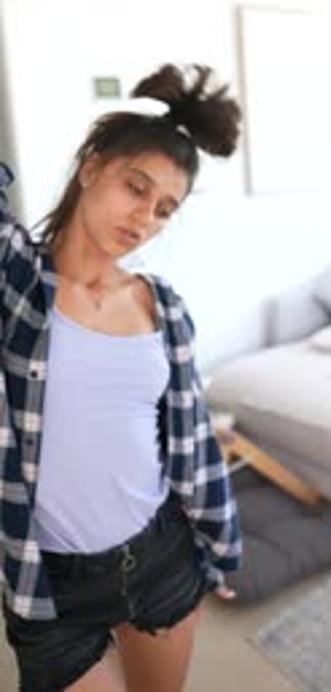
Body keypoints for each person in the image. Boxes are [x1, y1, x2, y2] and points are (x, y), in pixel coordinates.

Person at [0, 63, 243, 692]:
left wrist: (221, 548)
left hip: (161, 557)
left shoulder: (162, 307)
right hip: (52, 587)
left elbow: (192, 449)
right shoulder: (19, 284)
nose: (145, 220)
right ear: (91, 168)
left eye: (165, 209)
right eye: (136, 188)